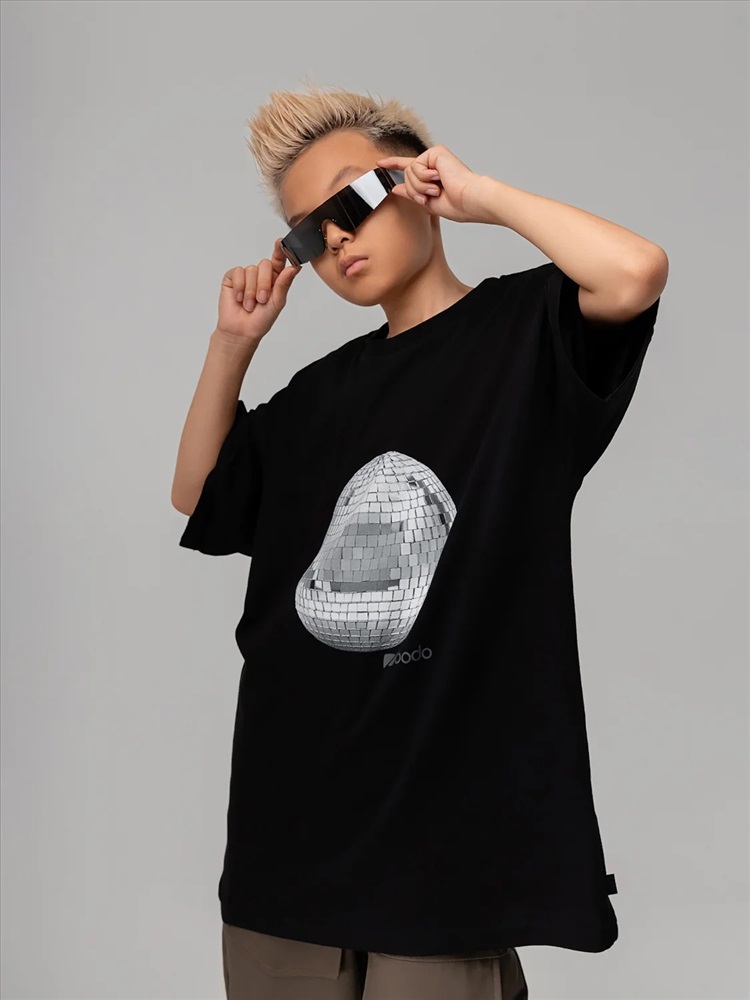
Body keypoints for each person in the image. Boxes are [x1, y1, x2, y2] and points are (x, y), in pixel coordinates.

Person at [171, 81, 668, 1000]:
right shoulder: (319, 396)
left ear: (415, 180)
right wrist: (232, 343)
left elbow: (635, 272)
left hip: (448, 843)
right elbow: (200, 496)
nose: (334, 240)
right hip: (289, 836)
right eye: (305, 234)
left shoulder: (525, 334)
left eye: (354, 200)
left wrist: (482, 197)